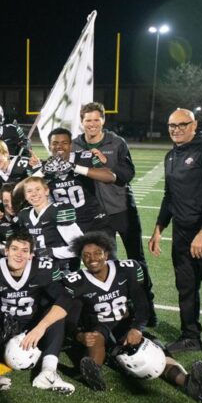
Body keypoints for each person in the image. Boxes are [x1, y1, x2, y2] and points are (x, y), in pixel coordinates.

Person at [24, 232, 202, 402]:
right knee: (95, 338)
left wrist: (137, 327)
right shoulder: (77, 281)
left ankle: (188, 383)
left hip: (125, 326)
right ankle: (94, 371)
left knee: (155, 354)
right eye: (86, 255)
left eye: (97, 253)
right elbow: (69, 314)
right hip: (98, 327)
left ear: (106, 254)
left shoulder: (125, 270)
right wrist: (79, 335)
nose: (92, 259)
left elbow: (142, 305)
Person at [149, 108, 202, 368]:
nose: (176, 129)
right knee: (186, 289)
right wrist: (159, 227)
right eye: (172, 125)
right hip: (183, 236)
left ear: (194, 125)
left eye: (182, 125)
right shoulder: (171, 155)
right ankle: (190, 336)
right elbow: (169, 196)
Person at [71, 102, 156, 323]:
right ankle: (119, 314)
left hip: (122, 209)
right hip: (96, 217)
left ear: (103, 120)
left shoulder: (116, 142)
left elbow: (128, 173)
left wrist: (106, 164)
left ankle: (148, 308)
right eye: (88, 120)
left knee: (137, 260)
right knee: (110, 264)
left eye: (96, 119)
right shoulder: (75, 145)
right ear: (82, 122)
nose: (92, 124)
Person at [0, 231, 76, 394]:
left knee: (55, 319)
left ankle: (48, 373)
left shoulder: (41, 269)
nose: (19, 255)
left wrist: (40, 328)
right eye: (15, 249)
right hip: (1, 329)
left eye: (25, 251)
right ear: (6, 251)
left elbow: (65, 299)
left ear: (31, 255)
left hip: (31, 329)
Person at [17, 176, 84, 270]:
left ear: (46, 191)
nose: (34, 194)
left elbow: (80, 247)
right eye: (29, 191)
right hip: (38, 269)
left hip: (63, 268)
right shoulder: (24, 214)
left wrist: (49, 252)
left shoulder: (58, 211)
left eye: (37, 189)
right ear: (25, 196)